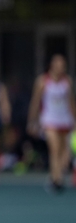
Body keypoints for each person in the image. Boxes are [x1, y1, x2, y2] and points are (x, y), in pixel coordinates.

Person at [27, 54, 76, 192]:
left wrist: (74, 119)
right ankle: (57, 179)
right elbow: (35, 102)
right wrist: (32, 121)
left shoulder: (67, 82)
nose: (60, 67)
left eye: (62, 65)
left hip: (65, 120)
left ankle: (56, 174)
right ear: (52, 65)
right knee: (54, 149)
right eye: (57, 64)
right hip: (49, 119)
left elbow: (71, 102)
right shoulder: (43, 81)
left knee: (63, 151)